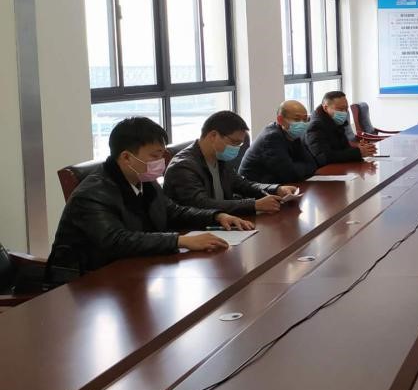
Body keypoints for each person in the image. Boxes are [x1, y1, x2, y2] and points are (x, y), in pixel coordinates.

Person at [47, 117, 253, 274]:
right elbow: (117, 240)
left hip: (136, 268)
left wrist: (216, 216)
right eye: (154, 156)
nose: (160, 162)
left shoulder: (144, 181)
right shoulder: (92, 194)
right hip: (87, 281)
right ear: (126, 157)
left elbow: (173, 211)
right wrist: (180, 241)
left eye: (162, 155)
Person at [164, 111, 300, 216]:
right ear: (213, 136)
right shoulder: (183, 167)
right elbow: (201, 204)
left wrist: (277, 189)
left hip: (223, 222)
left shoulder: (219, 157)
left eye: (240, 144)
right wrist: (253, 204)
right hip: (193, 232)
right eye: (234, 142)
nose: (237, 148)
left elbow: (243, 184)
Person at [239, 100, 320, 184]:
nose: (302, 124)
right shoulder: (271, 137)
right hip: (255, 187)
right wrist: (299, 167)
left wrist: (295, 167)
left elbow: (313, 165)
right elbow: (290, 174)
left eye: (305, 119)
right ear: (280, 120)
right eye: (296, 119)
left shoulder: (293, 135)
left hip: (277, 184)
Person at [306, 91, 376, 164]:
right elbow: (324, 157)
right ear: (326, 108)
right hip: (327, 169)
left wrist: (359, 147)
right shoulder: (316, 127)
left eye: (346, 109)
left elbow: (343, 148)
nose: (344, 112)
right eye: (340, 109)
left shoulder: (336, 121)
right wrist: (358, 152)